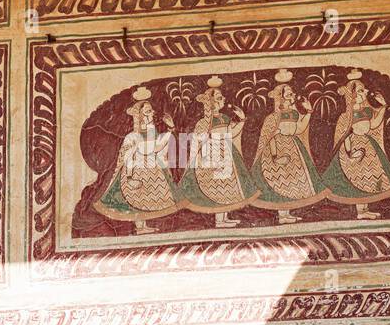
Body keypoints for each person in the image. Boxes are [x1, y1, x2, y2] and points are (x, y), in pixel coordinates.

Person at [321, 70, 390, 219]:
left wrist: (383, 107)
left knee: (370, 177)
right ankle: (360, 211)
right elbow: (345, 136)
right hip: (355, 146)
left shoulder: (367, 110)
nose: (365, 92)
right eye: (361, 90)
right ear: (353, 95)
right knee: (357, 178)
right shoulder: (346, 115)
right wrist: (349, 153)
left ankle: (365, 209)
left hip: (368, 145)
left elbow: (373, 124)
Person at [93, 88, 179, 234]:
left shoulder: (152, 132)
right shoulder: (132, 137)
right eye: (148, 111)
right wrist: (130, 177)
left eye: (151, 110)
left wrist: (171, 128)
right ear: (140, 115)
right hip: (137, 172)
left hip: (152, 171)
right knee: (137, 198)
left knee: (147, 199)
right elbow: (131, 157)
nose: (152, 113)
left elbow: (158, 145)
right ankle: (139, 227)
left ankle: (143, 226)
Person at [177, 76, 258, 227]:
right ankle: (219, 220)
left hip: (226, 154)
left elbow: (231, 133)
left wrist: (241, 120)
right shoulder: (203, 122)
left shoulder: (224, 118)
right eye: (219, 97)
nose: (223, 99)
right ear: (211, 102)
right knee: (217, 188)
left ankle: (224, 218)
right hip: (212, 157)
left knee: (227, 186)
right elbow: (197, 142)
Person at [250, 69, 324, 223]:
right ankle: (282, 215)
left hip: (294, 147)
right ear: (281, 97)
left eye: (292, 92)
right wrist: (275, 155)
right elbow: (269, 138)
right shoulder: (274, 117)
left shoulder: (295, 114)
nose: (292, 95)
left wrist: (309, 111)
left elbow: (299, 129)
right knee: (280, 180)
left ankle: (286, 214)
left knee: (292, 180)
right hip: (278, 149)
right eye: (288, 93)